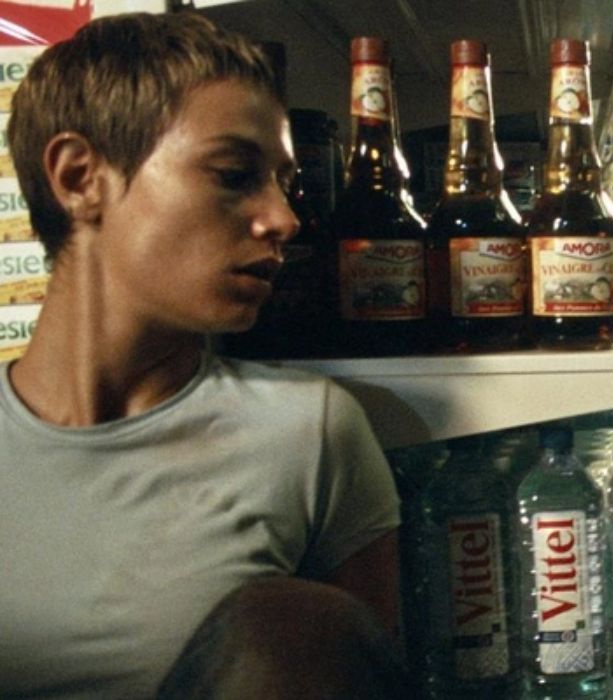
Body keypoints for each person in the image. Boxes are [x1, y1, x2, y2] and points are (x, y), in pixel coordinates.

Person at [0, 12, 405, 698]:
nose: (283, 219)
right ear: (79, 178)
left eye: (283, 184)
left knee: (294, 625)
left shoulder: (307, 434)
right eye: (233, 174)